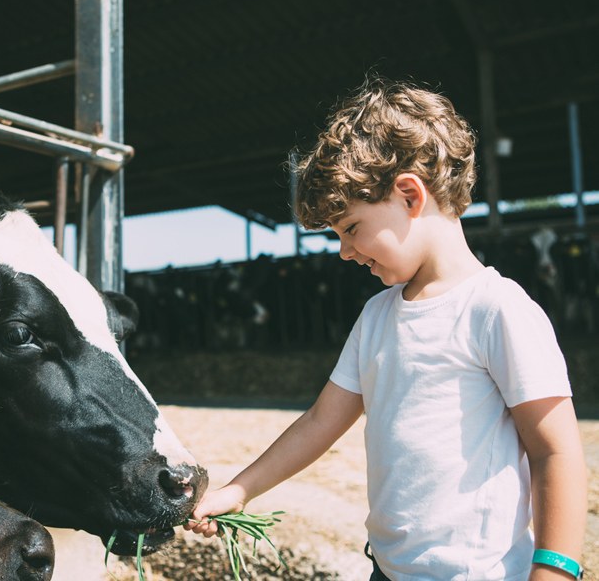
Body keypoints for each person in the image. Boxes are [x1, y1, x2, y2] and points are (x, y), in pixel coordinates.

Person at [183, 77, 588, 580]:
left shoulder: (496, 310)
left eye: (351, 228)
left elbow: (555, 451)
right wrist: (237, 490)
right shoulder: (376, 316)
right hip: (388, 571)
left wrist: (554, 570)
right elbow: (319, 422)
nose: (344, 251)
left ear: (409, 194)